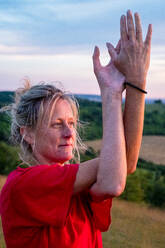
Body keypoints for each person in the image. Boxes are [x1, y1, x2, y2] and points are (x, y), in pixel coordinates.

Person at [0, 10, 152, 248]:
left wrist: (137, 82)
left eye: (71, 123)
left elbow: (126, 164)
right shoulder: (22, 185)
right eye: (56, 124)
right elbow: (113, 182)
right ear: (26, 133)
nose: (70, 133)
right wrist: (111, 93)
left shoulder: (78, 184)